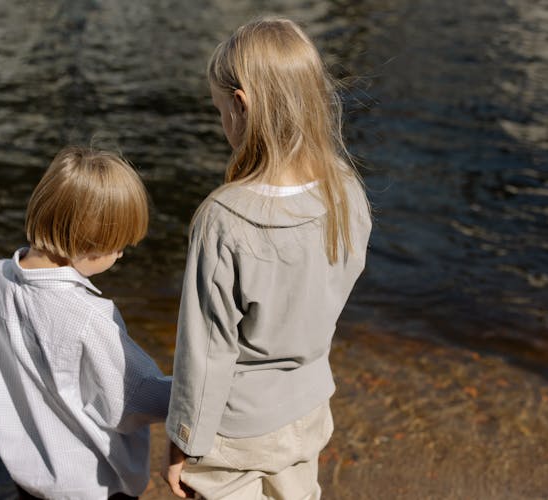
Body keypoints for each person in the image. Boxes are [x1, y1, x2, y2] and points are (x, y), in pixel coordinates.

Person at [162, 17, 372, 500]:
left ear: (241, 105)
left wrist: (183, 440)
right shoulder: (344, 189)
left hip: (236, 428)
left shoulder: (224, 217)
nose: (221, 124)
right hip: (308, 409)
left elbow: (206, 350)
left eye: (219, 110)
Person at [0, 146, 172, 500]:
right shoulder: (89, 315)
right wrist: (193, 392)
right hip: (91, 484)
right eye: (119, 246)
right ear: (89, 244)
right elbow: (131, 399)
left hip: (28, 471)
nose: (121, 254)